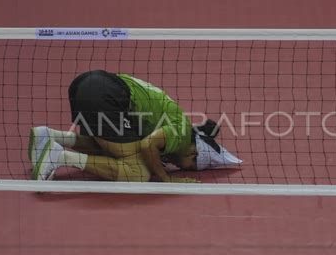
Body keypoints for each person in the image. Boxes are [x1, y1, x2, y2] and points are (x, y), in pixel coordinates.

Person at [29, 70, 241, 183]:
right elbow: (149, 144)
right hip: (107, 95)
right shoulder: (182, 134)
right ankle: (60, 157)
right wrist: (167, 179)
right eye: (190, 166)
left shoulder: (178, 122)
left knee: (110, 148)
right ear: (194, 152)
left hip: (86, 84)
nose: (181, 168)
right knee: (138, 172)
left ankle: (48, 136)